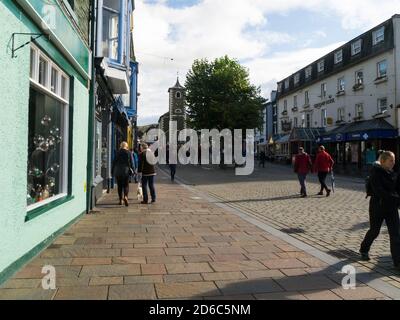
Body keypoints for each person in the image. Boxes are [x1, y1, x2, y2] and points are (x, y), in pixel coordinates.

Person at [359, 151, 400, 269]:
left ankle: (397, 262)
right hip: (378, 207)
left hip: (391, 208)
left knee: (395, 235)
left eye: (394, 160)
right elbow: (380, 191)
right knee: (374, 231)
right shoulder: (375, 173)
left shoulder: (393, 173)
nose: (393, 163)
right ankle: (364, 249)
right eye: (390, 160)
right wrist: (396, 198)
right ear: (383, 161)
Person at [112, 141, 134, 206]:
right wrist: (133, 171)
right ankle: (126, 197)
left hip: (118, 171)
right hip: (126, 171)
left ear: (121, 146)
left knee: (119, 186)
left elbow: (114, 162)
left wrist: (112, 171)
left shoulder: (117, 152)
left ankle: (120, 200)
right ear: (126, 146)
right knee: (126, 185)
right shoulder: (129, 153)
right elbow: (132, 162)